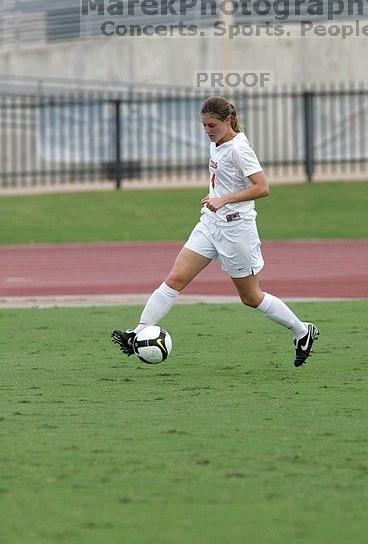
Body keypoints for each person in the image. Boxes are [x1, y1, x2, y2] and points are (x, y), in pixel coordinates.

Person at [111, 96, 319, 367]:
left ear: (228, 121)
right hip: (210, 225)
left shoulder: (239, 149)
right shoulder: (218, 143)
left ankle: (302, 331)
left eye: (212, 125)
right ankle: (138, 332)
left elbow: (262, 187)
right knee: (175, 279)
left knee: (250, 297)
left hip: (237, 230)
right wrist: (216, 197)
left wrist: (223, 199)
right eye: (204, 125)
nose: (207, 130)